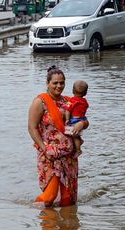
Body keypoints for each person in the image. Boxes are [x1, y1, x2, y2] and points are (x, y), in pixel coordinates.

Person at [27, 66, 88, 207]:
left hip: (69, 156)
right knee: (49, 197)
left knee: (68, 200)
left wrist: (82, 124)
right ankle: (38, 220)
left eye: (62, 83)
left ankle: (65, 227)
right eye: (55, 83)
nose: (59, 86)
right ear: (47, 83)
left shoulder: (69, 101)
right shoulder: (40, 102)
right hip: (50, 156)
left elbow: (83, 119)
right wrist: (45, 149)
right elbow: (32, 128)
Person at [64, 80, 89, 158]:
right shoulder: (85, 101)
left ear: (73, 90)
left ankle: (78, 150)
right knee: (76, 135)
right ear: (85, 93)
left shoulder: (70, 101)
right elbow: (85, 108)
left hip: (74, 120)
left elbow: (67, 110)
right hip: (82, 118)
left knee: (74, 135)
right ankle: (79, 140)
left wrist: (67, 119)